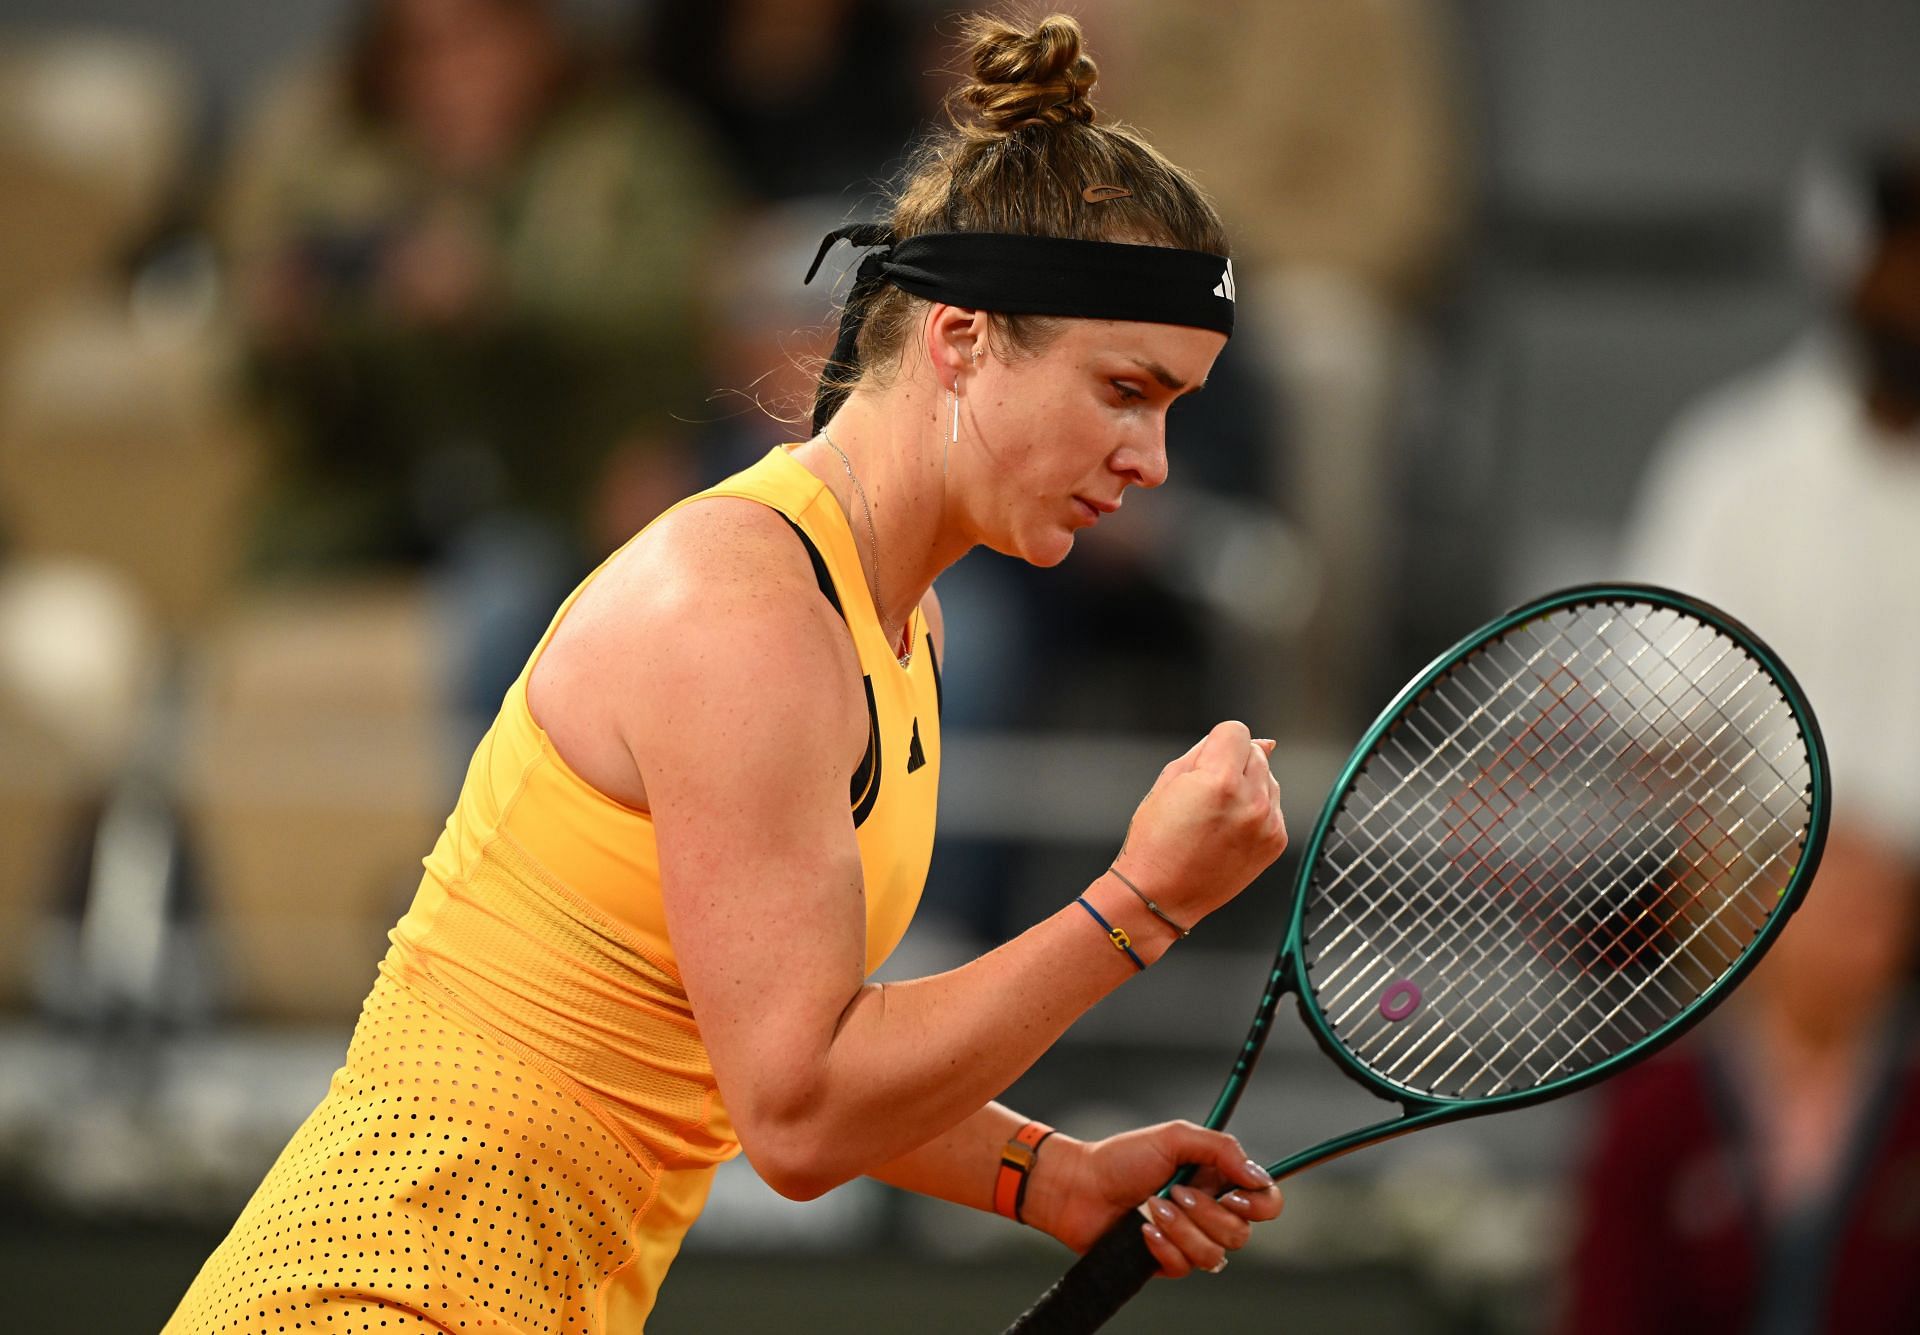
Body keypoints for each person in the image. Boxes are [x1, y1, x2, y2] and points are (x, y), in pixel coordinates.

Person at [164, 14, 1288, 1331]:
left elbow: (752, 1043)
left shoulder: (890, 618)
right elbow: (798, 1112)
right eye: (1124, 390)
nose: (1153, 459)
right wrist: (1139, 905)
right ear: (965, 340)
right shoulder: (740, 613)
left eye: (1174, 408)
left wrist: (1051, 1174)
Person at [1559, 137, 1920, 1333]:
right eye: (1897, 263)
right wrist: (1811, 876)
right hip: (1763, 886)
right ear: (1849, 267)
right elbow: (1651, 717)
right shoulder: (1742, 461)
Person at [220, 0, 735, 728]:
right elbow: (284, 393)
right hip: (394, 492)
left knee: (500, 594)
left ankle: (485, 842)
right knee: (266, 579)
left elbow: (684, 310)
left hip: (566, 487)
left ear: (536, 40)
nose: (448, 78)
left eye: (474, 43)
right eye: (419, 52)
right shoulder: (351, 169)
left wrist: (501, 295)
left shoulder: (624, 153)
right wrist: (286, 335)